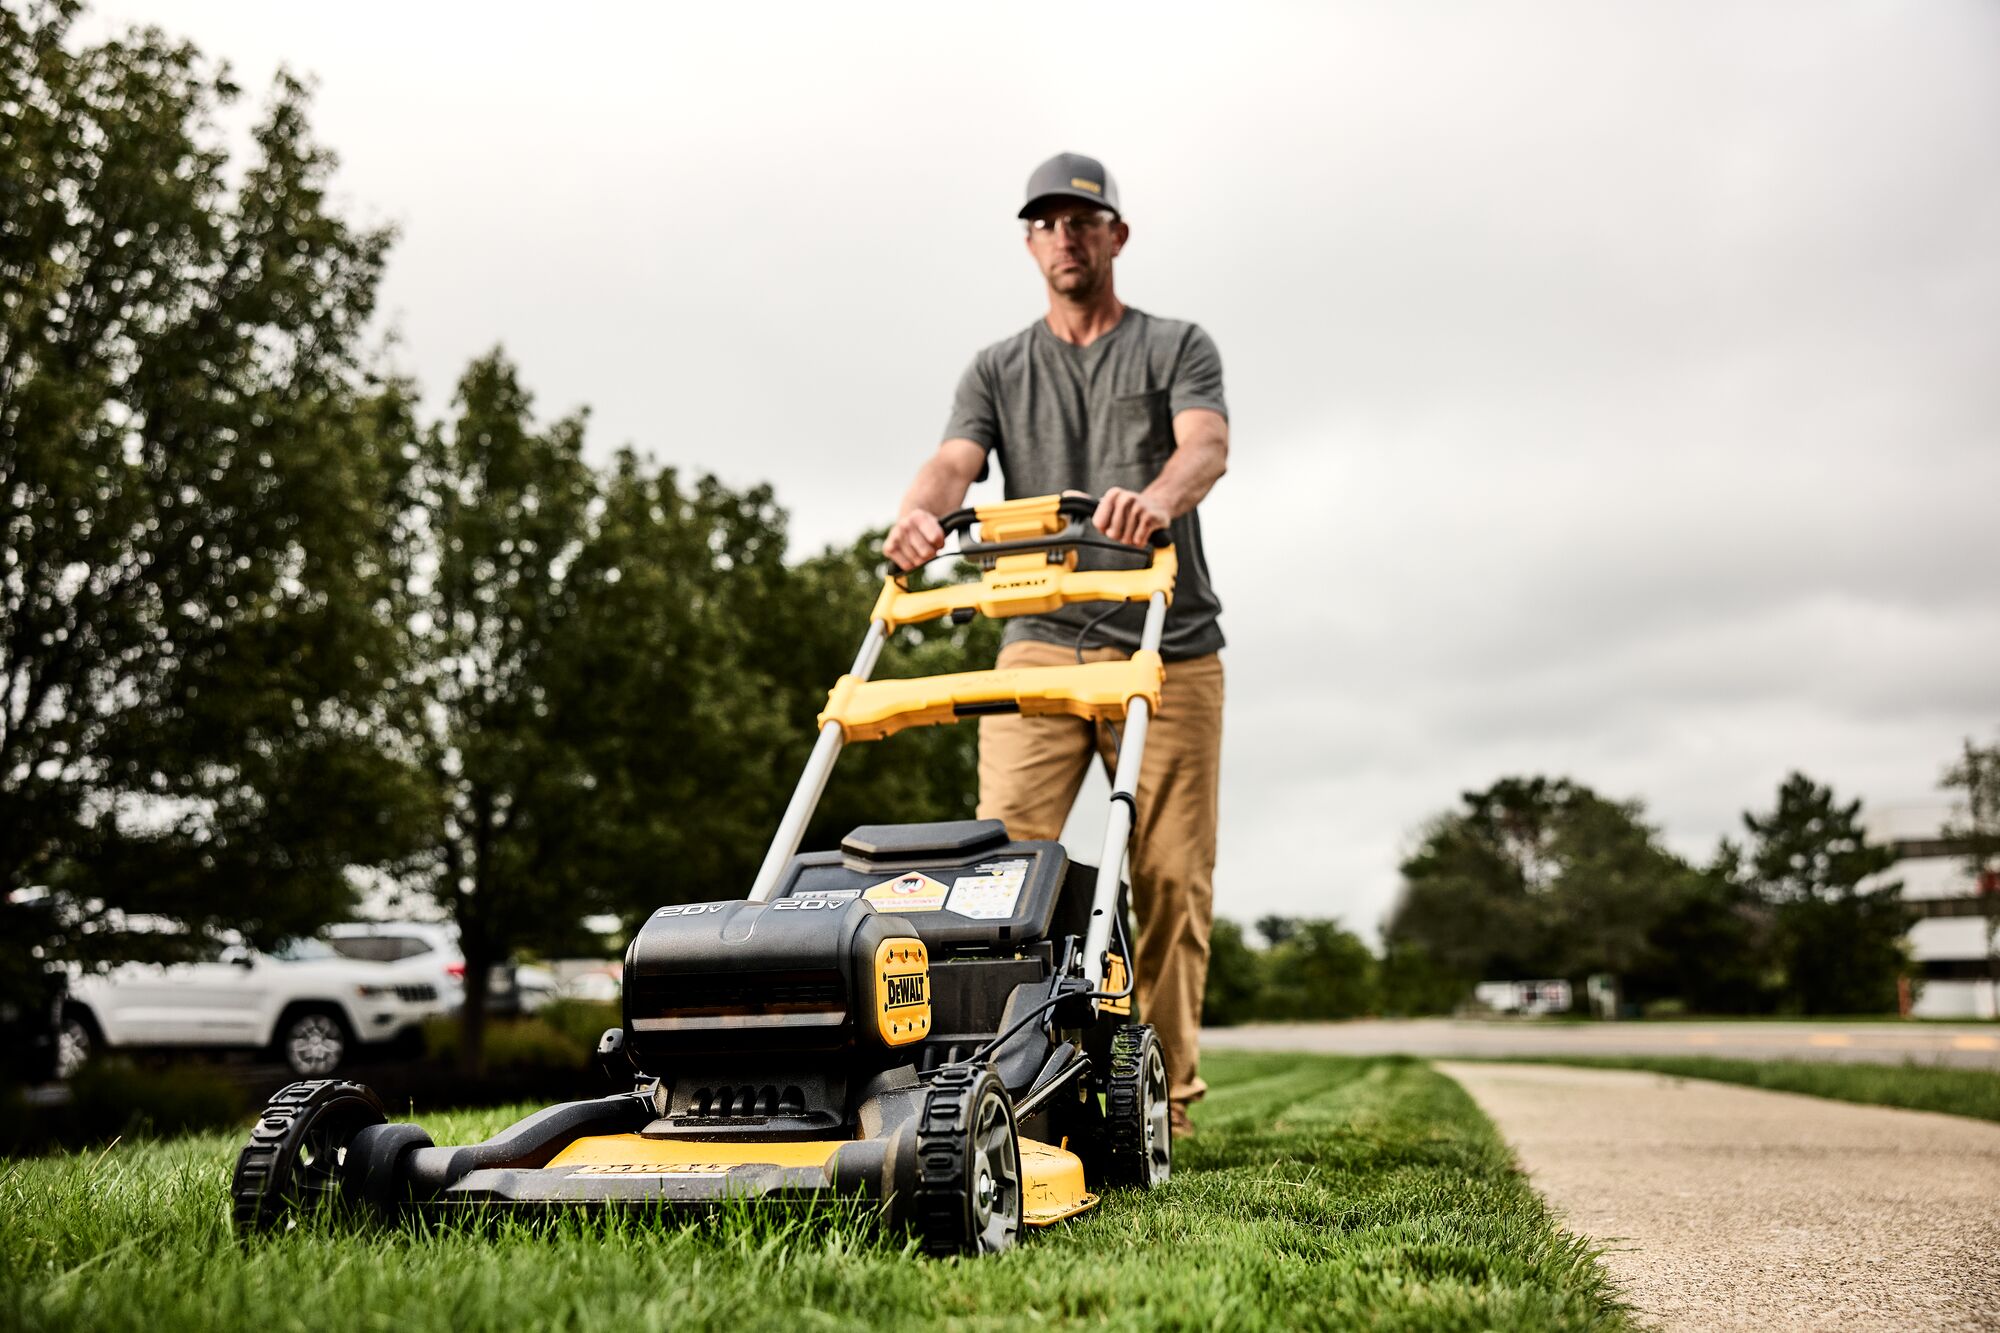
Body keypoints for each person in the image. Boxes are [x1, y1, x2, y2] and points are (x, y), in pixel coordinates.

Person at [881, 152, 1228, 1136]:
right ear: (1029, 241)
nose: (1065, 237)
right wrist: (916, 517)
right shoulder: (997, 367)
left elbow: (1204, 443)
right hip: (1036, 641)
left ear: (1115, 234)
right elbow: (953, 462)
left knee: (1167, 873)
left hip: (1169, 649)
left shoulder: (1172, 345)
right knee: (1000, 866)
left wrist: (1154, 500)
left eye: (1083, 220)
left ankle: (1165, 1090)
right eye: (1046, 221)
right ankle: (1003, 1080)